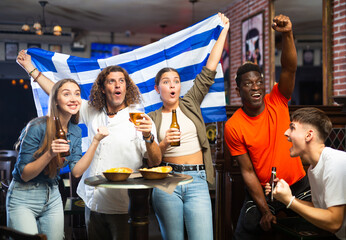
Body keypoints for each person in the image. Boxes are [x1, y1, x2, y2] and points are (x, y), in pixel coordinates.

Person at [16, 51, 162, 240]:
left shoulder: (140, 119)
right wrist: (30, 68)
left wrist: (148, 135)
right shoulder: (92, 111)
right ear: (102, 88)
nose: (117, 85)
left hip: (122, 205)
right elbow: (59, 94)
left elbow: (156, 160)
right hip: (92, 202)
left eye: (121, 81)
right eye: (111, 81)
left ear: (127, 87)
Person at [224, 14, 311, 240]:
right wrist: (264, 210)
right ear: (238, 90)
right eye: (248, 84)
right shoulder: (234, 125)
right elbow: (247, 172)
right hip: (266, 192)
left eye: (258, 82)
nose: (255, 87)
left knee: (312, 226)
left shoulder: (277, 99)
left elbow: (290, 69)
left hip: (298, 185)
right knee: (249, 227)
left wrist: (287, 34)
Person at [148, 13, 229, 240]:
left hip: (197, 181)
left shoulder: (190, 102)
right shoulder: (152, 117)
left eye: (175, 81)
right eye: (166, 82)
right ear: (157, 89)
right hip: (166, 183)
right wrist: (163, 143)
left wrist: (223, 31)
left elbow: (209, 70)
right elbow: (152, 160)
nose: (172, 85)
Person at [6, 78, 108, 240]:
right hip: (24, 195)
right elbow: (24, 174)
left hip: (52, 195)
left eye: (77, 94)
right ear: (55, 101)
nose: (73, 98)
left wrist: (95, 141)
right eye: (66, 94)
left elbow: (76, 171)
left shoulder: (75, 131)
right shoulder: (37, 127)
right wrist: (50, 153)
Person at [265, 107, 346, 240]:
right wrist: (284, 197)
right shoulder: (313, 168)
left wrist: (289, 200)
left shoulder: (335, 163)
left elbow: (334, 222)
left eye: (292, 127)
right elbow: (319, 208)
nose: (286, 133)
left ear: (308, 135)